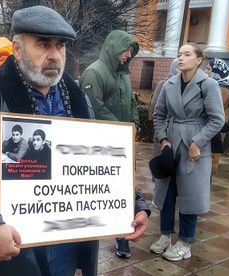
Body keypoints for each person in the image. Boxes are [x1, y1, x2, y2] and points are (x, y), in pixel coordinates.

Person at [0, 6, 149, 276]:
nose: (54, 55)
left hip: (67, 249)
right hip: (13, 250)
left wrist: (132, 201)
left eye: (60, 45)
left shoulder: (78, 98)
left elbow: (96, 161)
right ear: (17, 49)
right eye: (43, 44)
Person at [150, 44, 224, 261]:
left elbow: (217, 119)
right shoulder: (169, 84)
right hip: (171, 144)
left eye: (187, 54)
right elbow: (159, 114)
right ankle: (165, 236)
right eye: (179, 54)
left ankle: (185, 242)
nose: (181, 58)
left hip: (195, 145)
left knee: (190, 195)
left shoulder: (208, 85)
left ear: (199, 59)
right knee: (166, 192)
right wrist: (163, 139)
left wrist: (197, 142)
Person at [80, 29, 145, 259]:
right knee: (96, 192)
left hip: (124, 144)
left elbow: (132, 102)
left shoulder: (124, 74)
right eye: (126, 51)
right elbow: (95, 108)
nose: (128, 55)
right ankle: (86, 240)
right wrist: (121, 130)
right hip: (102, 147)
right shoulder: (94, 73)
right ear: (113, 48)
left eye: (131, 52)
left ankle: (123, 238)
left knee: (123, 191)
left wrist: (135, 124)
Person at [205, 58, 229, 176]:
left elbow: (213, 109)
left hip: (215, 130)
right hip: (215, 129)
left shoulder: (222, 89)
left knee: (212, 159)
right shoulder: (220, 85)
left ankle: (207, 184)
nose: (205, 72)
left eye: (208, 69)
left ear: (217, 71)